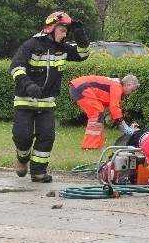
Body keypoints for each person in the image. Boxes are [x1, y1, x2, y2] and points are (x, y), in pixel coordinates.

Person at [10, 11, 90, 182]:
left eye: (66, 31)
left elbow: (83, 54)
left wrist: (80, 34)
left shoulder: (63, 49)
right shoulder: (31, 45)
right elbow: (16, 67)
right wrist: (28, 84)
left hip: (47, 104)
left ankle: (38, 172)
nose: (65, 34)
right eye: (62, 30)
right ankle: (22, 158)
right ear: (52, 28)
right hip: (25, 101)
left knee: (47, 136)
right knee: (22, 137)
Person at [69, 74, 140, 149]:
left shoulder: (116, 84)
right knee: (97, 113)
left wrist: (122, 125)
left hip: (78, 87)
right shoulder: (117, 87)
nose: (131, 93)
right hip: (81, 87)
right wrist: (125, 127)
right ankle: (90, 146)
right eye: (132, 90)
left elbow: (114, 111)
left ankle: (95, 144)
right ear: (128, 85)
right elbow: (114, 108)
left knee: (98, 112)